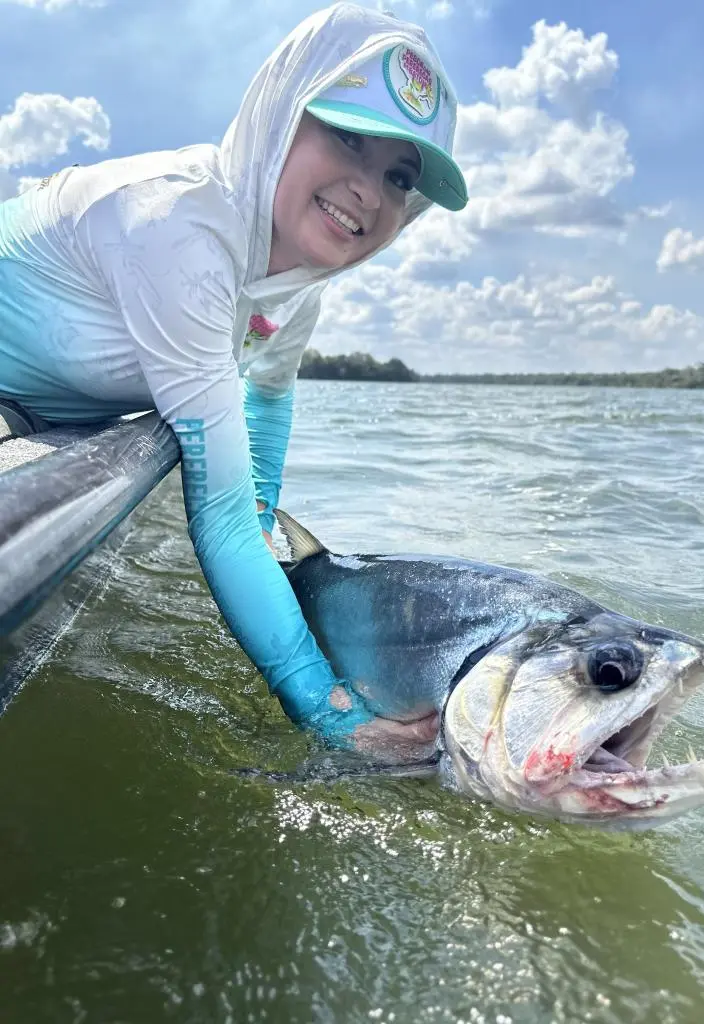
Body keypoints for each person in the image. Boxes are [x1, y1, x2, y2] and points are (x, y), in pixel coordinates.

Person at [0, 3, 467, 757]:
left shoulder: (295, 286)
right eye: (348, 136)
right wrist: (332, 713)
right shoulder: (177, 226)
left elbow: (269, 397)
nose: (369, 191)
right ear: (281, 113)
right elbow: (215, 520)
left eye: (399, 175)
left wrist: (261, 515)